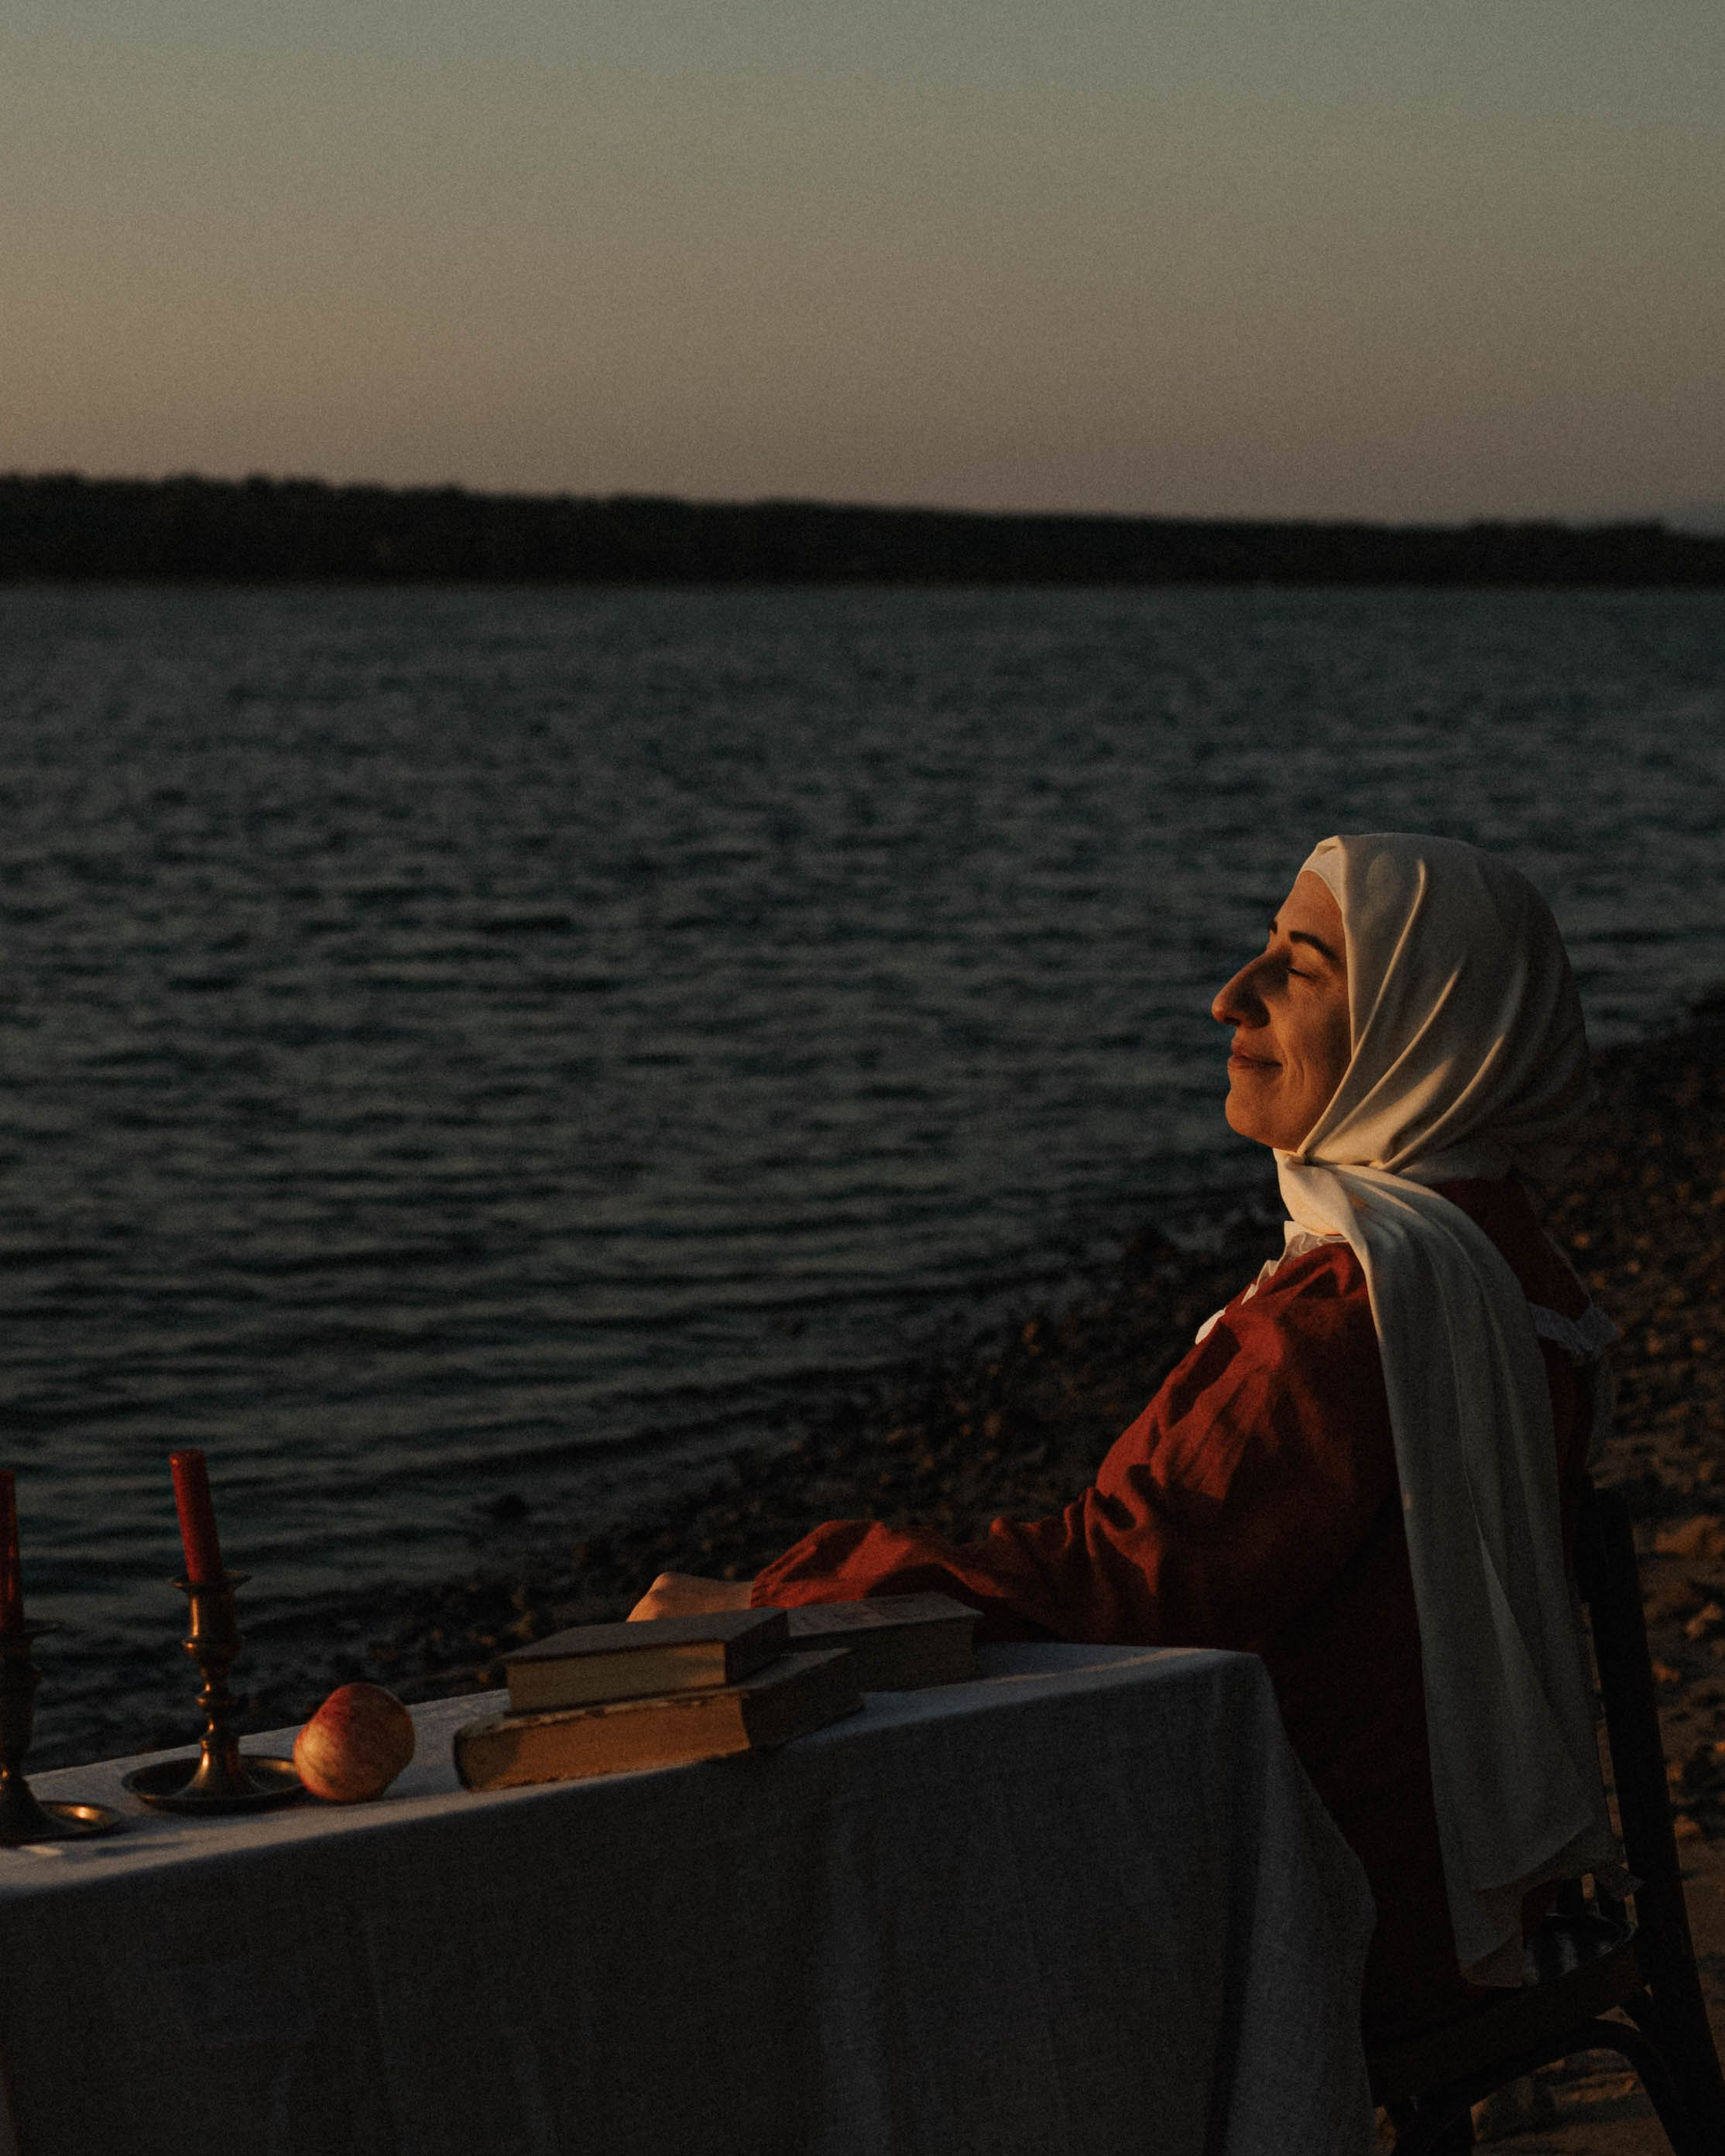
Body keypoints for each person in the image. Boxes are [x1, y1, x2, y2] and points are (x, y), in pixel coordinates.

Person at [629, 832, 1619, 2037]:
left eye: (1297, 969)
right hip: (1447, 1863)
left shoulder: (1350, 1311)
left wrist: (781, 1596)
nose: (1229, 996)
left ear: (1429, 1022)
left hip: (1343, 1907)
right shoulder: (1512, 1263)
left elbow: (1120, 1587)